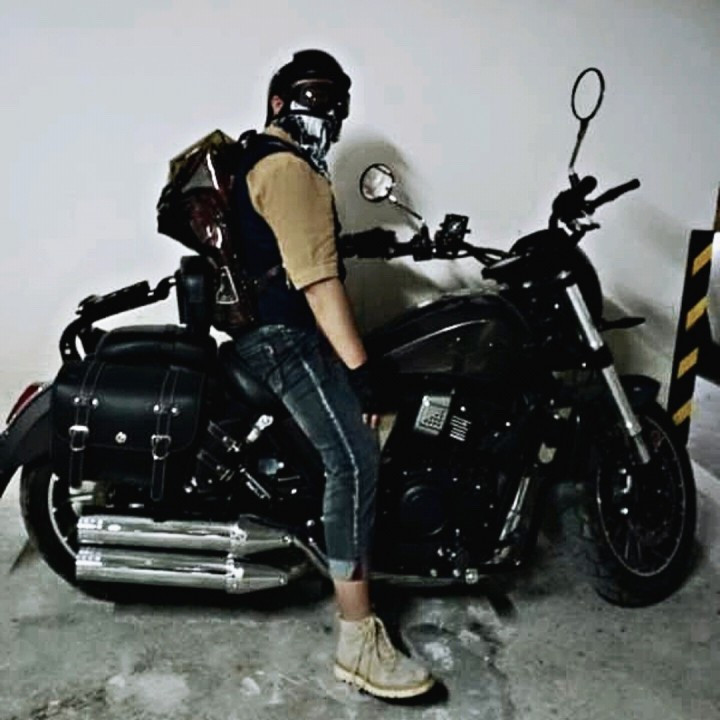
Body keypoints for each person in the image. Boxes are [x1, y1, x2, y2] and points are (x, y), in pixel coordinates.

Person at [229, 49, 435, 699]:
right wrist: (361, 371)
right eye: (315, 95)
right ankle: (357, 641)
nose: (329, 112)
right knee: (354, 458)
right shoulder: (290, 169)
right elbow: (317, 284)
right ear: (279, 102)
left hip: (275, 330)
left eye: (338, 101)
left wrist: (367, 245)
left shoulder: (266, 160)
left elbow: (287, 247)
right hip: (283, 340)